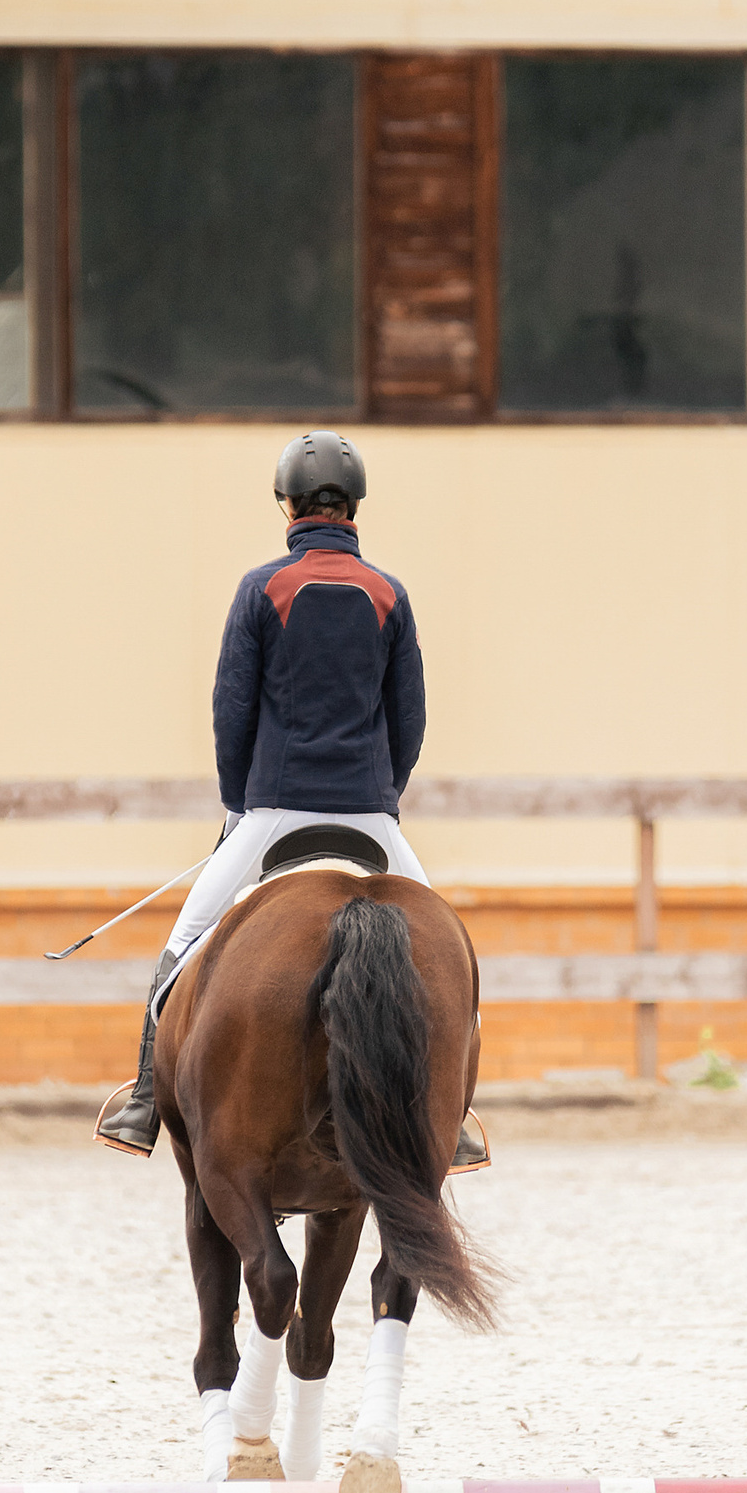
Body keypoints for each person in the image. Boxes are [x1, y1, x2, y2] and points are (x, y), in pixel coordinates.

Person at [97, 430, 484, 1173]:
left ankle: (145, 1097)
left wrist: (241, 804)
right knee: (451, 967)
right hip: (371, 814)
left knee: (183, 945)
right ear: (356, 506)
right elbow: (411, 718)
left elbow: (231, 709)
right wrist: (381, 796)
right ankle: (457, 1118)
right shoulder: (389, 594)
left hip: (272, 809)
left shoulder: (260, 589)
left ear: (288, 504)